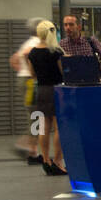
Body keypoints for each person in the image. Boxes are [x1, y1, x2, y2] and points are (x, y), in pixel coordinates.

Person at [26, 21, 66, 176]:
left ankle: (46, 161)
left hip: (41, 91)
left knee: (43, 128)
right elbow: (63, 72)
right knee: (59, 128)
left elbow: (32, 75)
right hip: (56, 90)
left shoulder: (32, 53)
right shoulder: (56, 52)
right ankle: (58, 161)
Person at [9, 16, 44, 162]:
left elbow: (14, 58)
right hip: (30, 81)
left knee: (36, 114)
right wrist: (31, 73)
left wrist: (21, 70)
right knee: (37, 115)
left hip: (25, 80)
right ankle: (31, 150)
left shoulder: (28, 41)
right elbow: (24, 54)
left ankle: (29, 147)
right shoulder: (36, 42)